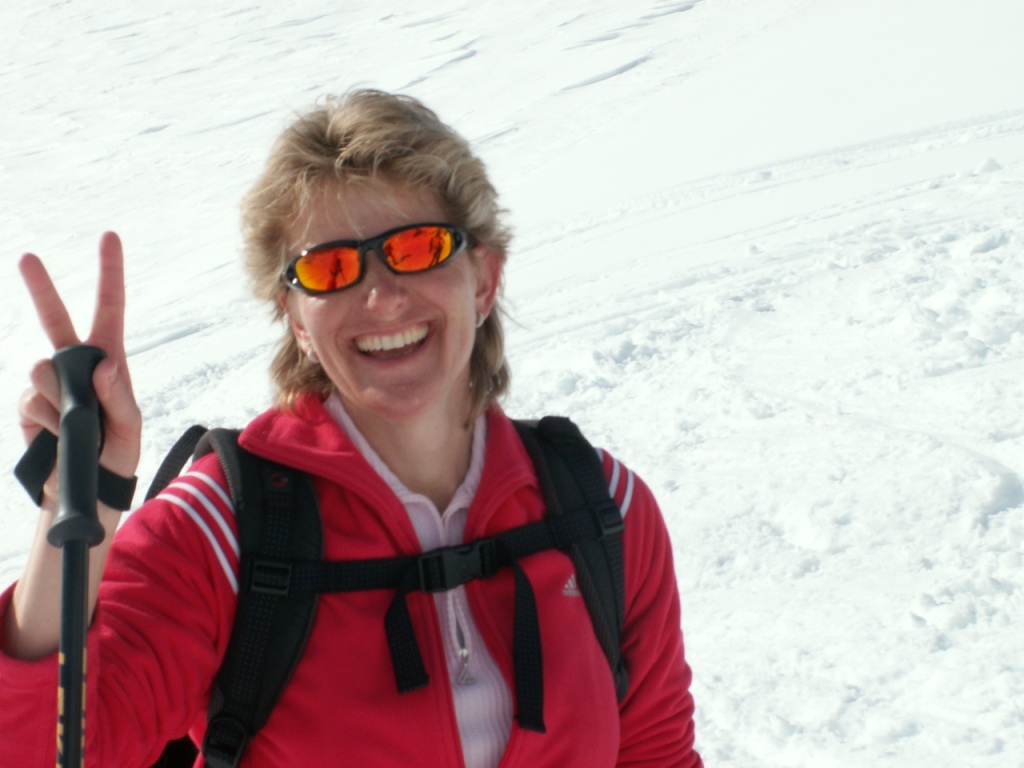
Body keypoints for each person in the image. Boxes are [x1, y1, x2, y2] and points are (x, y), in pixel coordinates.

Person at [0, 89, 702, 767]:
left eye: (419, 247)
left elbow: (656, 756)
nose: (381, 296)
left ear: (484, 279)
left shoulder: (600, 508)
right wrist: (77, 516)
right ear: (296, 320)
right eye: (329, 267)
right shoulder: (223, 530)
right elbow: (46, 751)